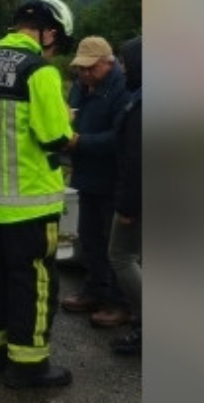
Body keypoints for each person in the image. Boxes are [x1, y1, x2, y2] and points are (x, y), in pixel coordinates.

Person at [0, 0, 77, 389]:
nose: (55, 48)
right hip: (29, 205)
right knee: (34, 285)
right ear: (49, 31)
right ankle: (29, 367)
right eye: (57, 41)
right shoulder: (38, 71)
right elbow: (54, 136)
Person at [59, 37, 131, 328]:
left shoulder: (122, 90)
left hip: (113, 177)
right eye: (81, 69)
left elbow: (121, 137)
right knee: (88, 237)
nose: (85, 74)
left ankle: (120, 302)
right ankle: (95, 290)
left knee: (113, 244)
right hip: (86, 175)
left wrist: (81, 142)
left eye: (91, 68)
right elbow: (71, 114)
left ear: (108, 63)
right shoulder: (81, 86)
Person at [108, 36, 142, 354]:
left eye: (126, 62)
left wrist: (127, 206)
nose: (122, 67)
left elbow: (136, 160)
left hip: (139, 198)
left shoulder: (140, 104)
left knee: (121, 256)